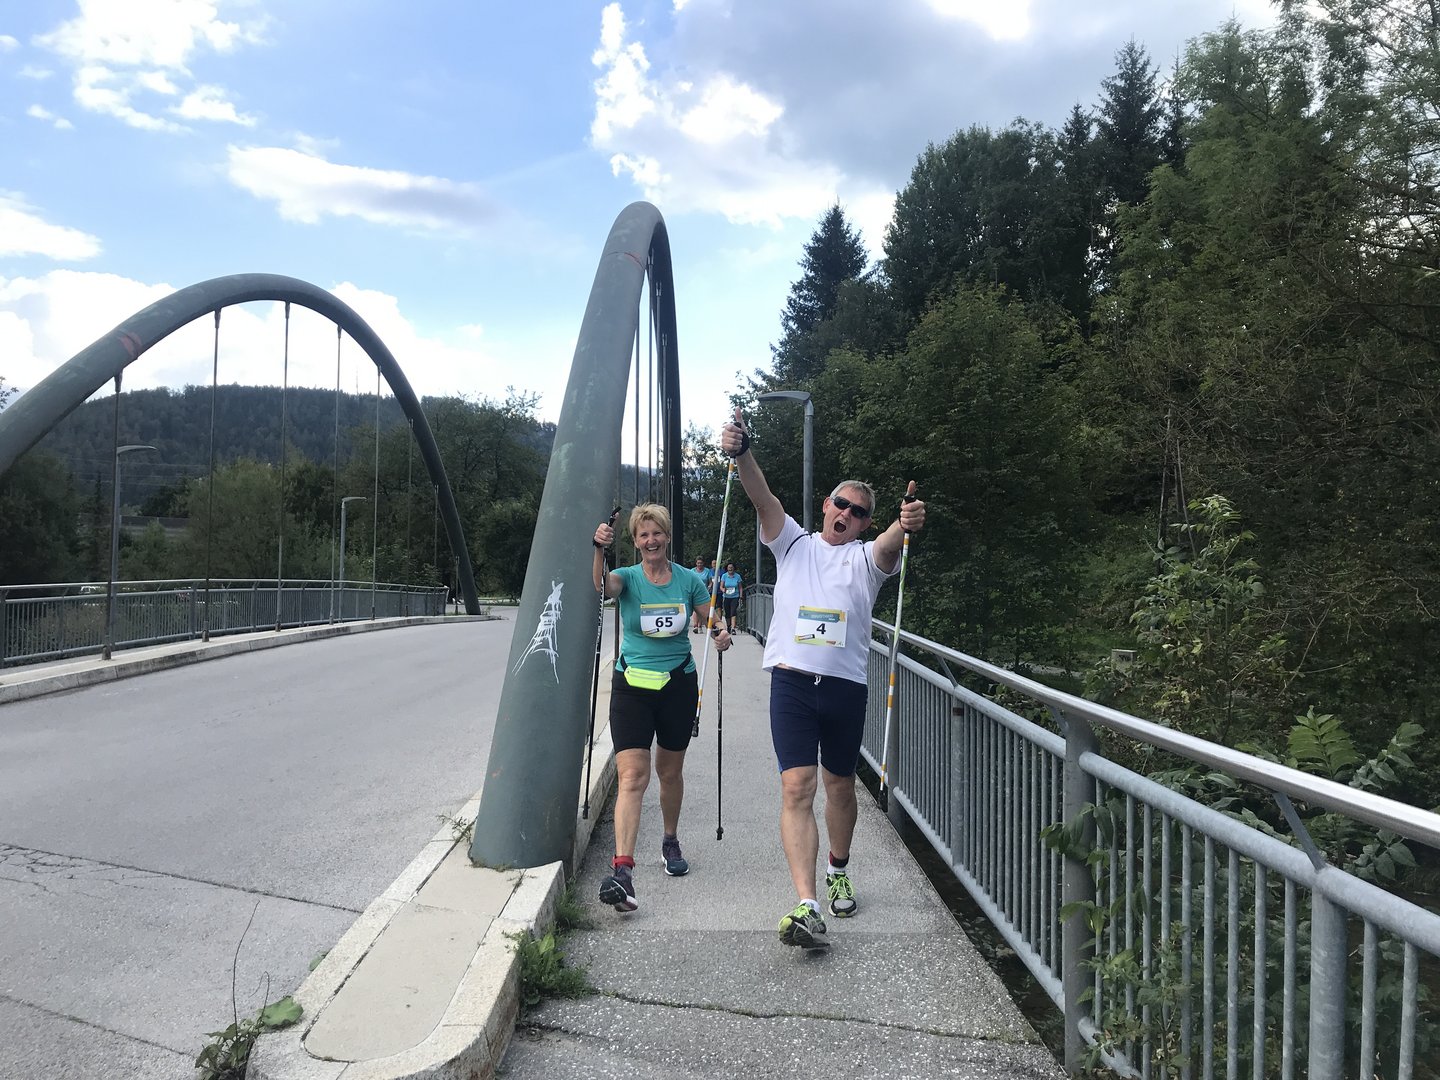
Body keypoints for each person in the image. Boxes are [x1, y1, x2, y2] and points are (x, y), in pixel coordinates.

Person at [720, 407, 925, 951]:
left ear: (863, 523)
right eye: (841, 504)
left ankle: (839, 868)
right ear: (827, 505)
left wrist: (903, 522)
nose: (847, 514)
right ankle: (807, 903)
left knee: (839, 786)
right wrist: (743, 454)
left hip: (844, 689)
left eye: (859, 512)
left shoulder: (866, 559)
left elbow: (890, 543)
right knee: (797, 786)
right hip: (792, 684)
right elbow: (763, 499)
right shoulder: (792, 543)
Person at [593, 504, 732, 913]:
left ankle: (670, 840)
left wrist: (721, 631)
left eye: (657, 533)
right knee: (632, 775)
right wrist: (598, 549)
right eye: (643, 535)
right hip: (632, 687)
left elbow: (711, 616)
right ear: (635, 542)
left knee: (669, 772)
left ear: (667, 537)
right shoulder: (628, 578)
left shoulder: (688, 580)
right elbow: (601, 586)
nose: (651, 540)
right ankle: (622, 871)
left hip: (677, 685)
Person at [689, 556, 715, 632]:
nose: (699, 564)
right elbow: (689, 581)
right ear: (696, 563)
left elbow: (710, 581)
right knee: (695, 609)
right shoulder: (692, 571)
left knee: (701, 609)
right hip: (694, 591)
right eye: (698, 563)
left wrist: (709, 586)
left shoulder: (707, 571)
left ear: (703, 563)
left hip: (704, 592)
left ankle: (700, 625)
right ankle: (695, 625)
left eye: (701, 563)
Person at [718, 561, 744, 634]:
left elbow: (740, 587)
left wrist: (741, 596)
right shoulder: (724, 576)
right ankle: (729, 626)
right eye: (729, 568)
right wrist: (723, 589)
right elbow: (721, 586)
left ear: (734, 568)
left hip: (735, 596)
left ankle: (733, 628)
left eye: (731, 567)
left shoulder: (737, 576)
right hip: (726, 596)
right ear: (727, 568)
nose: (730, 569)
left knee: (733, 611)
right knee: (727, 612)